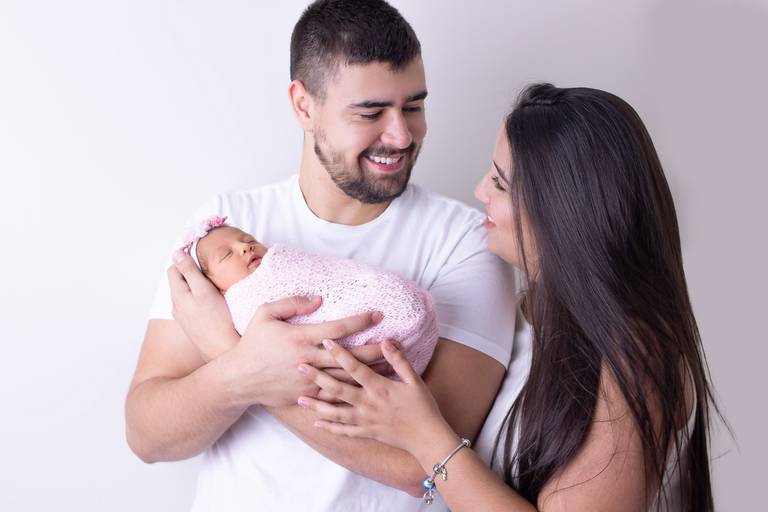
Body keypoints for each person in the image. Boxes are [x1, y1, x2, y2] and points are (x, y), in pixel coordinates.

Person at [124, 1, 517, 510]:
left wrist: (232, 356)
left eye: (414, 108)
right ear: (304, 105)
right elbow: (147, 435)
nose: (401, 135)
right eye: (370, 113)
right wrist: (240, 373)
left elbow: (424, 467)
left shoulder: (466, 243)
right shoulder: (224, 233)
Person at [298, 84, 720, 511]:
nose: (480, 190)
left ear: (561, 211)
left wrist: (425, 434)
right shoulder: (526, 316)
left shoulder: (639, 355)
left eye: (500, 183)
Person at [181, 215, 440, 375]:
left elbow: (330, 273)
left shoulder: (284, 261)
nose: (244, 247)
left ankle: (396, 307)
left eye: (248, 240)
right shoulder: (240, 307)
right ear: (216, 287)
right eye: (226, 254)